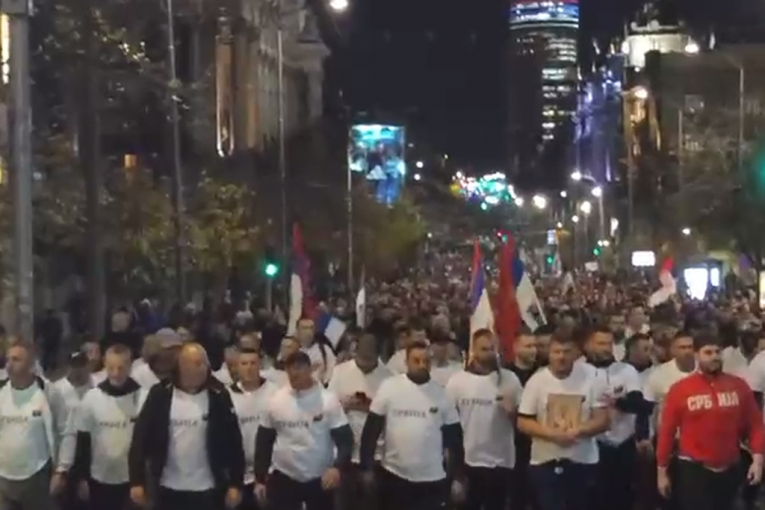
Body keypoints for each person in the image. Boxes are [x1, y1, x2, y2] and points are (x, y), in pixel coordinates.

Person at [129, 342, 245, 510]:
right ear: (182, 366)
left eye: (205, 363)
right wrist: (136, 481)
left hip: (208, 488)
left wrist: (236, 483)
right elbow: (140, 438)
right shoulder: (160, 394)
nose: (203, 368)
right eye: (197, 363)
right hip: (167, 487)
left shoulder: (218, 395)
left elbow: (234, 441)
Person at [656, 331, 764, 510]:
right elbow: (667, 432)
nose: (714, 357)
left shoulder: (738, 386)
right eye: (708, 352)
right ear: (696, 355)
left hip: (730, 466)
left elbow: (755, 424)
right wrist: (661, 471)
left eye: (717, 352)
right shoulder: (680, 389)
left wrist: (758, 460)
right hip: (694, 468)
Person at [359, 340, 463, 510]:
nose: (421, 365)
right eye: (416, 361)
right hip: (394, 475)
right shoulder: (390, 387)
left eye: (426, 361)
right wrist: (366, 467)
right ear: (406, 362)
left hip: (431, 479)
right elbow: (371, 430)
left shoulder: (442, 395)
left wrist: (457, 477)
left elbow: (455, 441)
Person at [517, 333, 610, 510]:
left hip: (583, 462)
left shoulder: (593, 376)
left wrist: (579, 430)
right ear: (549, 353)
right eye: (556, 352)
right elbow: (523, 421)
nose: (561, 357)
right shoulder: (536, 381)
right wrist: (552, 434)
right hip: (545, 463)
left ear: (576, 353)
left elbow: (603, 420)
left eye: (566, 352)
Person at [254, 351, 353, 510]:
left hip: (319, 477)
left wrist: (337, 468)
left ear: (309, 369)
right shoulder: (275, 401)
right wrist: (260, 479)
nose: (294, 374)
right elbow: (264, 441)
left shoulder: (328, 400)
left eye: (299, 368)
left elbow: (345, 440)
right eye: (290, 369)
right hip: (285, 477)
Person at [446, 329, 523, 510]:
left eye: (492, 349)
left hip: (501, 461)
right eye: (484, 349)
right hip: (468, 460)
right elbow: (449, 423)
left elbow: (523, 423)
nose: (489, 353)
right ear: (474, 350)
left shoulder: (510, 379)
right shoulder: (457, 381)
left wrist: (512, 411)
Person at [71, 344, 142, 510]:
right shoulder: (92, 398)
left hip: (131, 480)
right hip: (99, 478)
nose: (116, 374)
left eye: (121, 368)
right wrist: (81, 477)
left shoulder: (143, 397)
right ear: (104, 364)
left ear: (130, 366)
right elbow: (83, 440)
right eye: (111, 368)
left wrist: (142, 481)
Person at [0, 340, 69, 510]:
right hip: (4, 479)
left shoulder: (48, 392)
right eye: (8, 359)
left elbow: (66, 430)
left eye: (16, 359)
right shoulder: (1, 393)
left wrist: (61, 470)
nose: (9, 365)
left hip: (37, 476)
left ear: (31, 365)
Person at [328, 332, 392, 510]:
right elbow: (328, 408)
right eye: (361, 358)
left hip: (376, 455)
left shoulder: (389, 378)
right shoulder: (340, 372)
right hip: (344, 452)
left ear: (377, 355)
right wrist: (346, 404)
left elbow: (393, 418)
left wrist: (372, 408)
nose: (364, 364)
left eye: (369, 359)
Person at [585, 326, 646, 510]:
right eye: (600, 343)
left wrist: (616, 402)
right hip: (593, 443)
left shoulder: (627, 370)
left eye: (609, 343)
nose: (605, 348)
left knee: (625, 498)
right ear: (589, 345)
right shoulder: (580, 371)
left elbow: (636, 403)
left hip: (624, 443)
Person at [227, 348, 277, 510]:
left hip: (271, 472)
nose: (248, 367)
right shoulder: (226, 395)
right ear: (236, 367)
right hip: (239, 475)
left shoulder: (275, 392)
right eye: (244, 363)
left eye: (253, 363)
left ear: (259, 365)